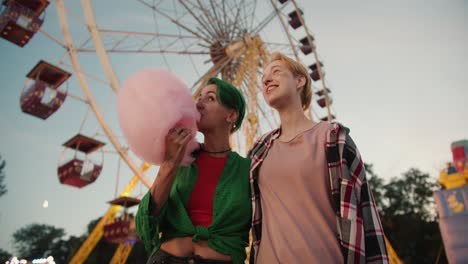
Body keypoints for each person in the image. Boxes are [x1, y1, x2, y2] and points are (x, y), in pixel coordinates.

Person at [248, 52, 389, 263]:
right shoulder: (259, 151)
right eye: (264, 78)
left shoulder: (334, 139)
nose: (267, 79)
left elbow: (365, 212)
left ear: (300, 80)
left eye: (276, 72)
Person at [136, 77, 251, 264]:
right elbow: (145, 223)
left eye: (210, 98)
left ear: (231, 115)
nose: (198, 104)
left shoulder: (247, 170)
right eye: (199, 98)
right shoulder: (183, 158)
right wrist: (170, 162)